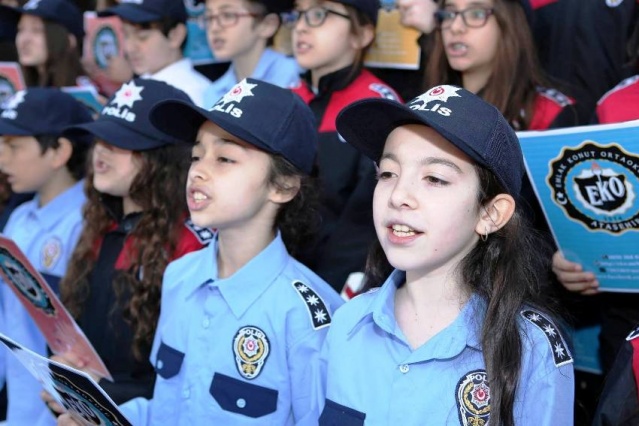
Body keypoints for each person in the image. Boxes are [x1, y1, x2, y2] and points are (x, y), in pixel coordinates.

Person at [50, 78, 345, 425]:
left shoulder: (306, 316)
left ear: (282, 186)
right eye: (195, 155)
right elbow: (166, 408)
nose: (199, 171)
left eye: (224, 158)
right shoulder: (180, 276)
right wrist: (102, 417)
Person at [317, 84, 575, 424]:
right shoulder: (348, 323)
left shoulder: (533, 349)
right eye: (388, 173)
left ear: (490, 214)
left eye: (434, 178)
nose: (398, 196)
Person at [40, 79, 212, 419]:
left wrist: (103, 392)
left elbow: (189, 379)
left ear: (161, 159)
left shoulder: (191, 244)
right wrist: (65, 368)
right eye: (100, 137)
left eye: (120, 141)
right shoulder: (99, 226)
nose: (101, 150)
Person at [290, 0, 402, 295]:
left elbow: (362, 228)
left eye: (320, 15)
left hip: (337, 289)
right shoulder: (287, 99)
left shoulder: (376, 108)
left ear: (362, 35)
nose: (301, 26)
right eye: (299, 14)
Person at [0, 88, 93, 425]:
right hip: (17, 409)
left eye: (13, 146)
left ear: (59, 151)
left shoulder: (85, 224)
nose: (1, 157)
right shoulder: (19, 218)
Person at [426, 0, 578, 131]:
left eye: (476, 14)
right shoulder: (426, 105)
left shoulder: (547, 113)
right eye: (449, 13)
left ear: (509, 25)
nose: (455, 27)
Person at [98, 0, 212, 107]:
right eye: (126, 35)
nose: (129, 48)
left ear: (176, 35)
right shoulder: (144, 82)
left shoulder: (193, 94)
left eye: (142, 37)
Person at [201, 0, 301, 108]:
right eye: (209, 17)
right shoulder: (213, 93)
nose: (214, 28)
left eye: (228, 15)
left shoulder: (295, 76)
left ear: (267, 25)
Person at [0, 0, 88, 88]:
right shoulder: (14, 91)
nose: (24, 40)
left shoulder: (83, 93)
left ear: (69, 41)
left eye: (36, 30)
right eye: (20, 29)